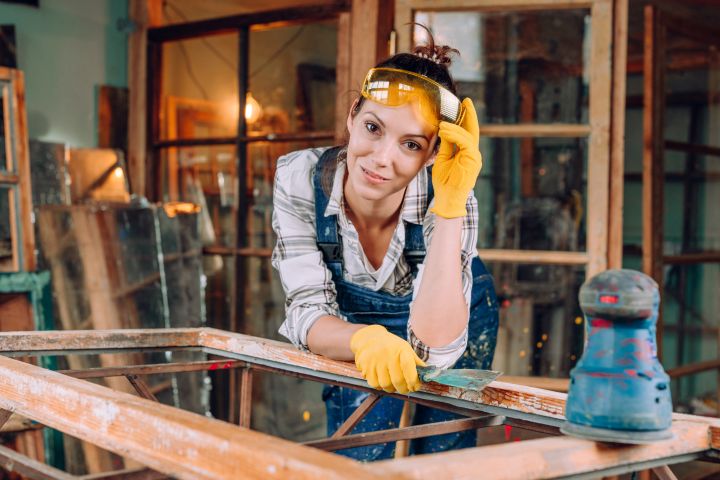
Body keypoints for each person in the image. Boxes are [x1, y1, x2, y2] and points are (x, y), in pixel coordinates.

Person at [271, 33, 499, 461]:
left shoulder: (449, 192)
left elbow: (436, 350)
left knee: (442, 457)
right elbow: (306, 312)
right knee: (358, 455)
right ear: (352, 116)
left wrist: (449, 207)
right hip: (354, 330)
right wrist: (362, 338)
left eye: (411, 144)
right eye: (373, 128)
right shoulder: (300, 177)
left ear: (431, 155)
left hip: (452, 311)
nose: (381, 158)